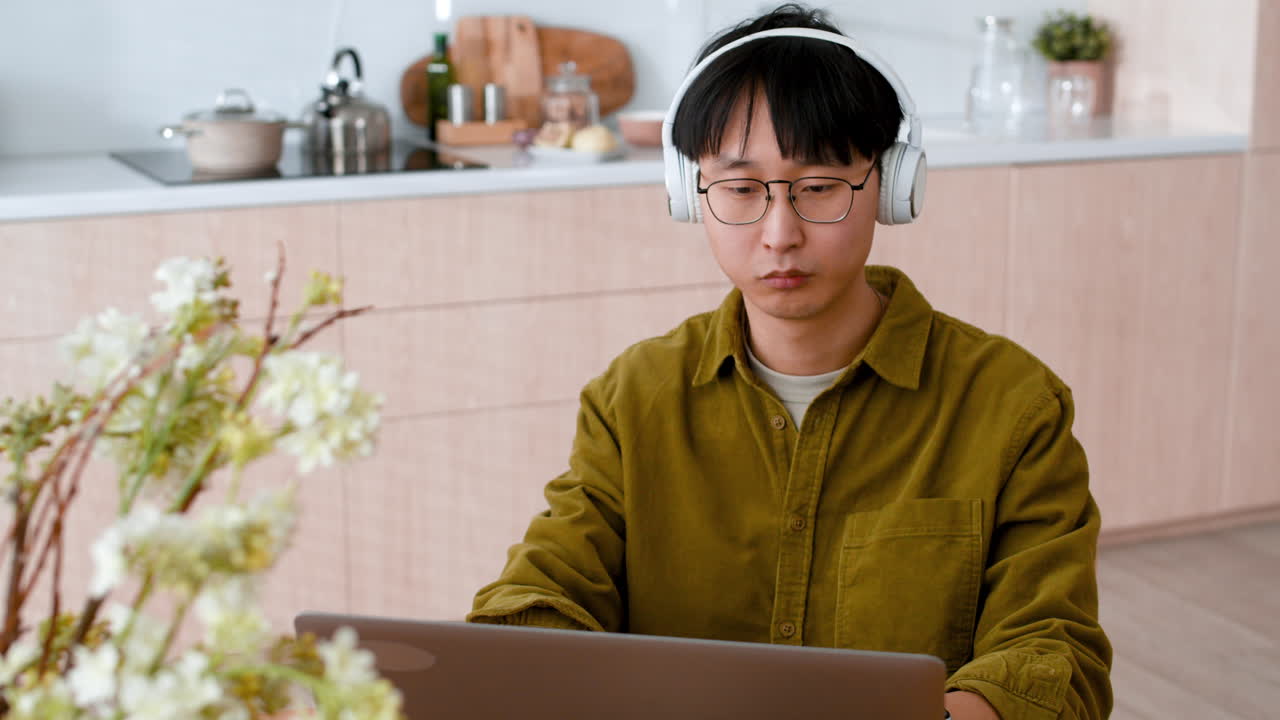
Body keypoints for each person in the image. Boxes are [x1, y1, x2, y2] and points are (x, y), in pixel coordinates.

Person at [468, 4, 1113, 718]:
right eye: (742, 189)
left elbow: (1055, 656)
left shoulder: (1012, 404)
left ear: (894, 187)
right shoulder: (634, 397)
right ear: (690, 195)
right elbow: (548, 586)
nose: (780, 234)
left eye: (819, 187)